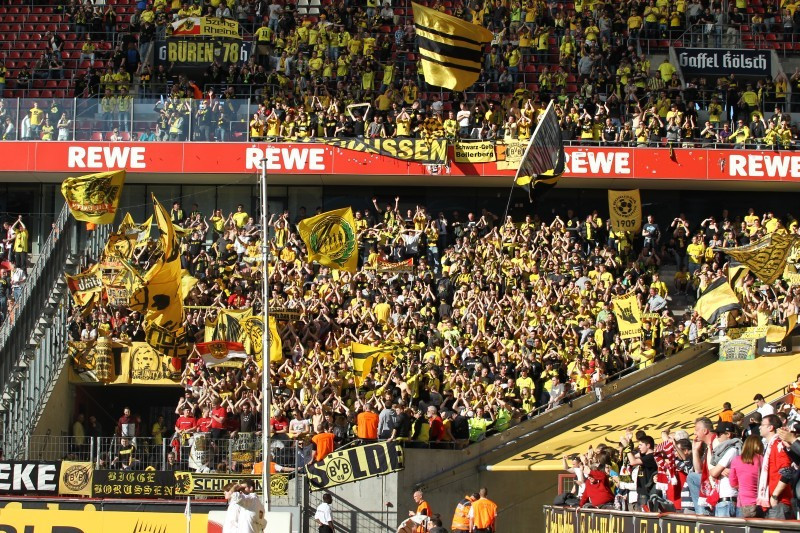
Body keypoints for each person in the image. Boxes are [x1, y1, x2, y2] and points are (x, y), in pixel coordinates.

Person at [758, 414, 792, 519]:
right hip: (772, 501)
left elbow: (787, 471)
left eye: (762, 425)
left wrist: (775, 496)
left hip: (779, 502)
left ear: (770, 427)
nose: (759, 427)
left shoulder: (778, 445)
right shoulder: (770, 446)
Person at [729, 435, 764, 518]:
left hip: (742, 503)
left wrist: (743, 486)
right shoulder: (762, 459)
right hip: (759, 504)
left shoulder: (736, 460)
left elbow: (732, 483)